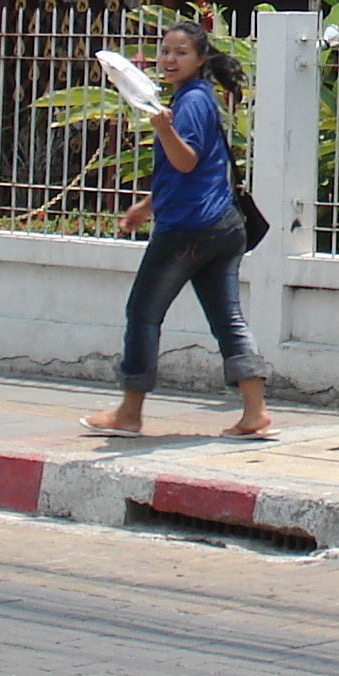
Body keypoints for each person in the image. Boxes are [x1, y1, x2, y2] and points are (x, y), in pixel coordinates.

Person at [82, 22, 272, 439]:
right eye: (165, 51)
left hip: (188, 229)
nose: (169, 59)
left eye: (180, 52)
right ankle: (254, 412)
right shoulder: (195, 98)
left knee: (143, 313)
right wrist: (147, 206)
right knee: (227, 318)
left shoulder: (190, 103)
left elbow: (185, 161)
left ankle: (129, 413)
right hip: (222, 225)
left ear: (200, 58)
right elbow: (195, 167)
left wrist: (163, 128)